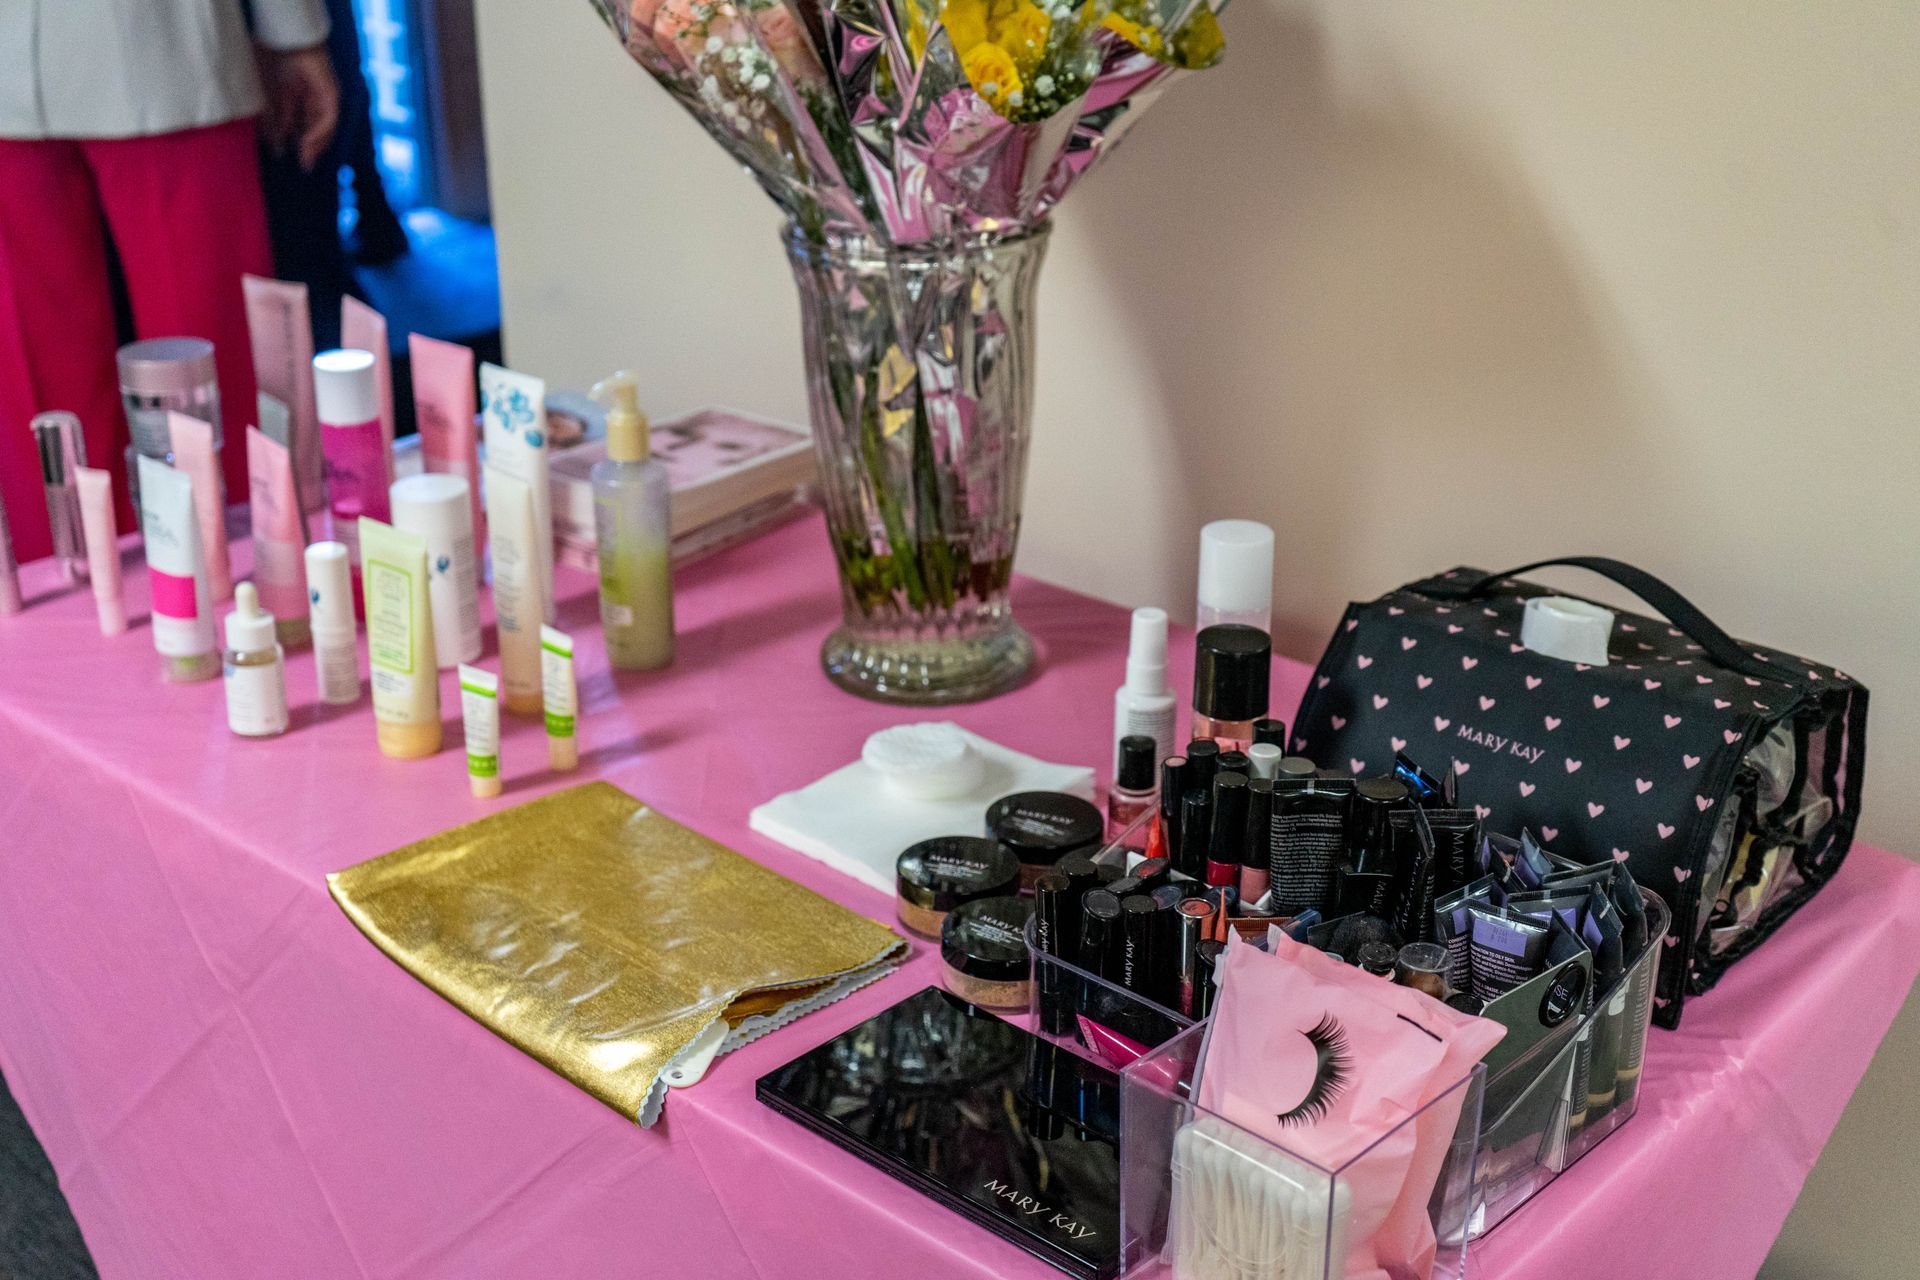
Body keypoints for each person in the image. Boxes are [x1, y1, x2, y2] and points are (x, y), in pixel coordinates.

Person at [0, 0, 340, 561]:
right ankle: (93, 601)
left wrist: (293, 35)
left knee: (196, 371)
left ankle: (209, 589)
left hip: (160, 47)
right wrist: (293, 34)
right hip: (161, 47)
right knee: (190, 364)